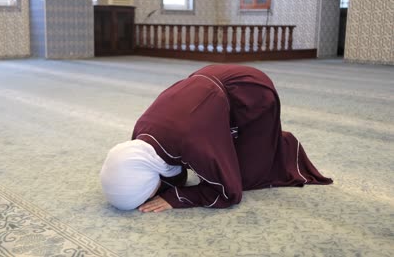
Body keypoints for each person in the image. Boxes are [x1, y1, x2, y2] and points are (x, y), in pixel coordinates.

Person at [100, 64, 333, 212]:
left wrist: (177, 198)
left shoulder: (190, 140)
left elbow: (228, 192)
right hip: (207, 80)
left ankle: (281, 144)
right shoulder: (140, 135)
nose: (148, 197)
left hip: (249, 90)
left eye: (144, 194)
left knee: (244, 177)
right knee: (216, 155)